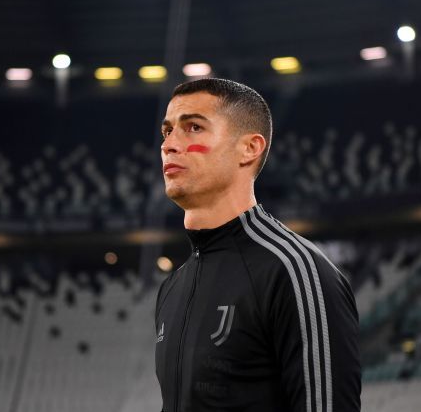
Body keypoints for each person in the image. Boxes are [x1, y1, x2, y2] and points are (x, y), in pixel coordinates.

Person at [154, 77, 361, 412]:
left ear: (249, 148)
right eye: (167, 131)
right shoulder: (172, 286)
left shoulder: (297, 271)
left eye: (193, 128)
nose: (169, 144)